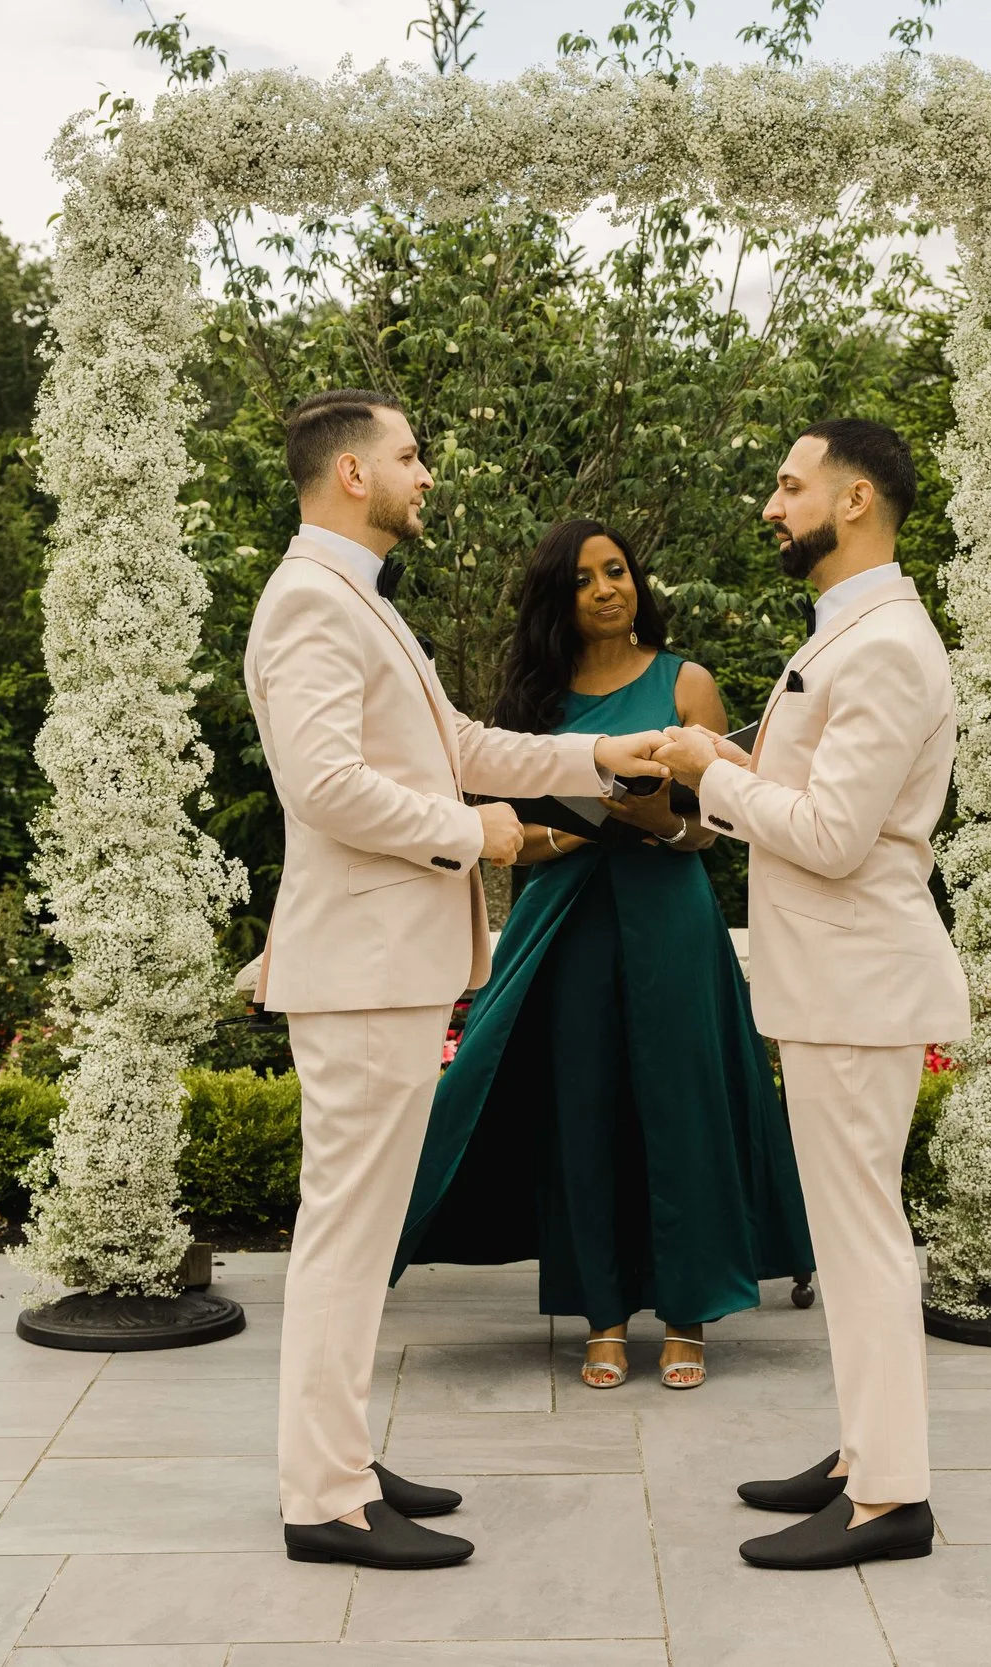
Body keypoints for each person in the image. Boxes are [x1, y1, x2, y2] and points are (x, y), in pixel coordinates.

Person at [244, 390, 668, 1571]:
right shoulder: (310, 605)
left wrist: (596, 752)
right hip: (361, 965)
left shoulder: (356, 602)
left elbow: (463, 742)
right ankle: (323, 1497)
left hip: (384, 963)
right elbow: (325, 786)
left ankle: (340, 1456)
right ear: (348, 475)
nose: (425, 474)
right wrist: (475, 834)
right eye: (409, 455)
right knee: (345, 1231)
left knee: (363, 1222)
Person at [392, 519, 815, 1395]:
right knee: (581, 1108)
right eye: (583, 580)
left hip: (668, 914)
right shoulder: (534, 704)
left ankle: (690, 1310)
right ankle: (604, 1316)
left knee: (682, 1099)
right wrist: (563, 831)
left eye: (616, 570)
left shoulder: (685, 680)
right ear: (560, 598)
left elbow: (715, 824)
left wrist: (661, 822)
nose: (606, 589)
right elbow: (510, 833)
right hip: (565, 918)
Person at [650, 418, 968, 1571]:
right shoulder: (849, 632)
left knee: (861, 1235)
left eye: (790, 486)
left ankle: (890, 1497)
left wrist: (706, 773)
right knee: (849, 1227)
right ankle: (858, 1453)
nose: (771, 504)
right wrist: (720, 763)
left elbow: (834, 837)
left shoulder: (884, 645)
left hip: (856, 982)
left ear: (856, 501)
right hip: (831, 980)